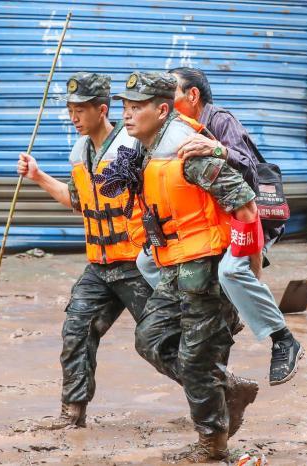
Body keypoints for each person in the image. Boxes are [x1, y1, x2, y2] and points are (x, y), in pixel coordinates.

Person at [113, 71, 259, 462]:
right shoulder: (145, 150)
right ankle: (227, 387)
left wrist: (246, 279)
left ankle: (213, 445)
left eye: (136, 108)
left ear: (162, 110)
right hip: (174, 268)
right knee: (149, 339)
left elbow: (246, 207)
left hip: (208, 271)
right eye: (124, 107)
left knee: (196, 361)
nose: (127, 115)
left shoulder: (186, 151)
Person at [136, 66, 303, 385]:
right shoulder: (171, 130)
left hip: (248, 215)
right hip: (209, 222)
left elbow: (250, 168)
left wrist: (216, 148)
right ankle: (214, 314)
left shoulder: (218, 120)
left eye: (171, 93)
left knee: (231, 272)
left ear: (192, 95)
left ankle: (283, 339)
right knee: (146, 259)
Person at [17, 72, 155, 429]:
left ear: (102, 110)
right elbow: (78, 202)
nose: (73, 116)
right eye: (70, 109)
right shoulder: (80, 152)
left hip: (138, 264)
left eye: (80, 109)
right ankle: (71, 414)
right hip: (100, 265)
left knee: (161, 342)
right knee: (76, 330)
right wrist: (38, 176)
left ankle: (219, 394)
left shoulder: (133, 147)